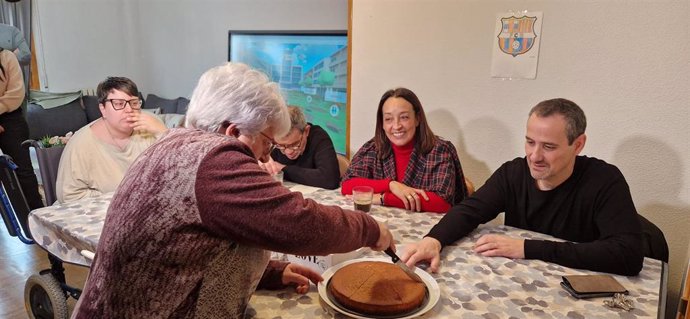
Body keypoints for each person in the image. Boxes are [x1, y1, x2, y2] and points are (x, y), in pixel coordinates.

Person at [73, 62, 394, 318]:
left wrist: (271, 273)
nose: (267, 156)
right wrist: (371, 228)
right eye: (267, 142)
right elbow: (301, 222)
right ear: (234, 131)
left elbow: (191, 245)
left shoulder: (175, 141)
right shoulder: (216, 161)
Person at [402, 98, 644, 276]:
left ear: (578, 145)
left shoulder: (604, 180)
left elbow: (629, 255)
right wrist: (434, 240)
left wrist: (528, 248)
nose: (534, 156)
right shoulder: (514, 172)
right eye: (530, 142)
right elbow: (469, 210)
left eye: (548, 147)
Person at [341, 87, 467, 213]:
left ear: (417, 119)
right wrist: (391, 185)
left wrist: (383, 198)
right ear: (382, 124)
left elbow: (442, 203)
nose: (396, 126)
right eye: (388, 119)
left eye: (404, 117)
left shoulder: (439, 150)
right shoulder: (373, 148)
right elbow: (347, 186)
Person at [55, 77, 167, 203]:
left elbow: (175, 173)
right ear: (103, 109)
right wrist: (119, 199)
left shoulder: (152, 126)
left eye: (134, 103)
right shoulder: (80, 144)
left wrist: (164, 134)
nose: (129, 110)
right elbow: (68, 197)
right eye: (119, 104)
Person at [0, 48, 42, 209]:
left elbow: (16, 93)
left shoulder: (6, 56)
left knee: (23, 172)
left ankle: (37, 218)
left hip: (11, 117)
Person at [260, 105, 340, 189]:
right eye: (281, 146)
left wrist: (283, 168)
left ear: (306, 131)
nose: (288, 152)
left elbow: (330, 179)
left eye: (294, 144)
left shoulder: (318, 137)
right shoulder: (271, 139)